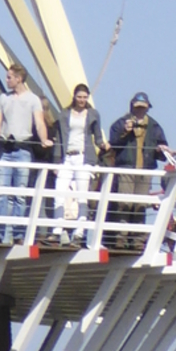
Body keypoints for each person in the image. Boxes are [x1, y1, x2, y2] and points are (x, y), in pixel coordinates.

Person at [0, 63, 50, 244]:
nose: (6, 80)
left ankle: (18, 234)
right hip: (5, 149)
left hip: (22, 149)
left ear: (18, 79)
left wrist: (44, 139)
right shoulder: (3, 98)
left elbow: (39, 122)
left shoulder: (33, 100)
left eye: (9, 77)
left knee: (20, 194)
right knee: (2, 192)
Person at [105, 91, 168, 248]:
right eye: (137, 107)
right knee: (124, 203)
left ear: (148, 108)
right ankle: (120, 238)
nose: (140, 110)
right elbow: (112, 144)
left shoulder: (154, 126)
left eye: (143, 107)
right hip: (126, 168)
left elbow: (162, 150)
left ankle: (138, 240)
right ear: (132, 107)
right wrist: (125, 132)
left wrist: (161, 150)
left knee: (140, 205)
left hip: (145, 170)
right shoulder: (120, 123)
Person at [52, 84, 106, 246]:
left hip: (83, 157)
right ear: (74, 97)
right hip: (67, 157)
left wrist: (103, 145)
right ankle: (57, 229)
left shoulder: (93, 114)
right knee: (59, 193)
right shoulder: (64, 114)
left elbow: (97, 136)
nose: (82, 100)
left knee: (82, 196)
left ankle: (79, 231)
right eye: (79, 97)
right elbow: (59, 137)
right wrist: (56, 161)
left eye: (84, 97)